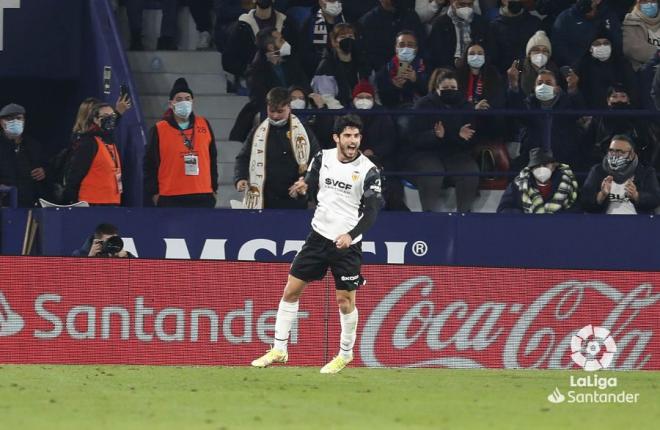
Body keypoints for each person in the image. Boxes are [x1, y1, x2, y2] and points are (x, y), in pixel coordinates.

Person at [250, 114, 384, 374]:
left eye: (356, 136)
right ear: (337, 138)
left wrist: (351, 234)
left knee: (345, 301)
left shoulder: (369, 170)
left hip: (347, 245)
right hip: (318, 237)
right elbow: (312, 180)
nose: (352, 141)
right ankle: (279, 348)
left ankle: (345, 354)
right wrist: (303, 185)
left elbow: (372, 211)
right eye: (347, 136)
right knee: (291, 290)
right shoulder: (323, 157)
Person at [405, 70, 480, 212]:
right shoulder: (423, 105)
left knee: (470, 171)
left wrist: (459, 137)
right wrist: (434, 135)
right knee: (432, 172)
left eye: (453, 88)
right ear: (437, 89)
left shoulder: (466, 107)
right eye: (445, 89)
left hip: (455, 153)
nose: (449, 91)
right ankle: (429, 219)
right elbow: (413, 137)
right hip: (426, 153)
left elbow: (471, 138)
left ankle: (464, 217)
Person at [234, 87, 320, 209]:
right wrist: (240, 178)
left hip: (295, 199)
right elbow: (243, 157)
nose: (275, 116)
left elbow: (316, 160)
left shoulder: (304, 132)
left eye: (280, 111)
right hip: (264, 199)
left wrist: (305, 182)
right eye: (271, 111)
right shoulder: (257, 131)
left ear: (289, 108)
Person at [144, 78, 218, 208]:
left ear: (193, 102)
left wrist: (214, 189)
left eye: (187, 98)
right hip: (170, 196)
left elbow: (212, 158)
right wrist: (154, 193)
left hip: (203, 194)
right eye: (179, 99)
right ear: (170, 104)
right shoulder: (159, 129)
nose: (184, 102)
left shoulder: (204, 124)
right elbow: (149, 164)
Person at [507, 67, 587, 170]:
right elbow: (516, 110)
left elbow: (579, 110)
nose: (543, 86)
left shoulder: (567, 104)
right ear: (534, 87)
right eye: (539, 83)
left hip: (563, 161)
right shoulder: (529, 104)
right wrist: (513, 85)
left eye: (548, 83)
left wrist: (573, 88)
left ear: (557, 88)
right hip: (532, 161)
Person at [222, 0, 297, 91]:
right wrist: (249, 70)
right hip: (252, 81)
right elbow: (228, 60)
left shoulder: (287, 23)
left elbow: (297, 53)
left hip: (283, 78)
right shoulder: (242, 26)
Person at [584, 84, 659, 168]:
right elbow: (589, 143)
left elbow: (645, 142)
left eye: (623, 96)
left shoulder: (638, 118)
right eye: (614, 96)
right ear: (608, 100)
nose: (619, 100)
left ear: (628, 99)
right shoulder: (599, 119)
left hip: (634, 162)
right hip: (604, 161)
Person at [581, 134, 660, 214]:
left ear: (631, 154)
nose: (614, 155)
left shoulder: (646, 172)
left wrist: (637, 196)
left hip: (637, 222)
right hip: (604, 222)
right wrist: (602, 195)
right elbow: (585, 201)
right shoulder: (598, 171)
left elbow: (655, 199)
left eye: (620, 152)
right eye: (611, 151)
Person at [63, 103, 124, 205]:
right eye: (105, 116)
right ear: (95, 120)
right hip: (91, 203)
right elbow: (75, 174)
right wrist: (69, 201)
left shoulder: (110, 143)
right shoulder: (89, 143)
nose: (110, 119)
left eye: (112, 116)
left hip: (112, 202)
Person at [497, 148, 579, 213]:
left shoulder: (568, 183)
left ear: (553, 167)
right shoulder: (517, 185)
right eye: (537, 166)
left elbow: (576, 208)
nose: (541, 169)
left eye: (545, 165)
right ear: (531, 169)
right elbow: (504, 208)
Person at [358, 0, 426, 73]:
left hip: (415, 71)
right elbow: (374, 58)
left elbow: (423, 48)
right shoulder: (369, 21)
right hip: (386, 74)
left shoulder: (411, 15)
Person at [0, 103, 47, 208]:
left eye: (19, 118)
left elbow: (47, 167)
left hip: (29, 204)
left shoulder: (34, 145)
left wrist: (44, 172)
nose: (15, 122)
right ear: (2, 122)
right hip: (4, 204)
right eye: (10, 119)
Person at [247, 27, 309, 107]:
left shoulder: (293, 63)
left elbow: (305, 87)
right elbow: (259, 100)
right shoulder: (256, 71)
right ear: (271, 47)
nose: (285, 42)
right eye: (281, 40)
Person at [576, 31, 639, 109]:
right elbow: (582, 91)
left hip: (623, 110)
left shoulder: (622, 64)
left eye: (606, 43)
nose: (602, 46)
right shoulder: (583, 66)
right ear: (590, 48)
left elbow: (632, 88)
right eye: (597, 44)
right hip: (593, 111)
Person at [552, 0, 622, 68]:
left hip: (606, 67)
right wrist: (576, 66)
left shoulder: (609, 16)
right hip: (576, 69)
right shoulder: (565, 17)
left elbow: (617, 43)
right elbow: (559, 48)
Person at [312, 23, 368, 108]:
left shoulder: (362, 63)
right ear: (334, 42)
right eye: (342, 37)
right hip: (336, 113)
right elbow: (327, 98)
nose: (347, 40)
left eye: (350, 36)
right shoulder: (326, 66)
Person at [427, 0, 490, 70]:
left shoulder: (482, 23)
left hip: (478, 69)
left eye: (470, 5)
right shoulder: (440, 24)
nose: (466, 8)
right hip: (449, 71)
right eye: (462, 4)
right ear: (452, 2)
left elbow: (491, 52)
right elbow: (436, 55)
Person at [375, 30, 428, 108]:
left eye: (410, 45)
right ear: (396, 48)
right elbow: (384, 100)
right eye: (402, 45)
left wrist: (416, 79)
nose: (406, 48)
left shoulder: (426, 66)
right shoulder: (385, 70)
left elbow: (431, 93)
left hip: (422, 110)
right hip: (397, 111)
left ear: (416, 48)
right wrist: (394, 86)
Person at [488, 0, 542, 73]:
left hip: (530, 75)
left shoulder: (535, 22)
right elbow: (493, 58)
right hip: (503, 76)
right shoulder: (494, 27)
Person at [299, 0, 347, 77]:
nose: (335, 3)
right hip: (321, 72)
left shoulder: (346, 20)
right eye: (331, 1)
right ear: (321, 2)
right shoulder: (309, 25)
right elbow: (305, 56)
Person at [623, 0, 660, 71]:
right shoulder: (630, 21)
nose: (649, 4)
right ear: (637, 3)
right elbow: (633, 49)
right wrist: (658, 54)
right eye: (645, 1)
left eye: (653, 1)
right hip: (646, 71)